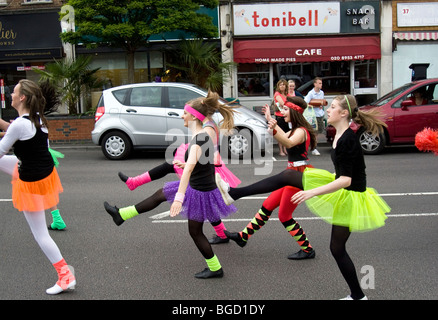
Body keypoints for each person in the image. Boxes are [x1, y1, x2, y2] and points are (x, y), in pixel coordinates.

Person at [215, 94, 390, 299]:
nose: (327, 109)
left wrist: (311, 192)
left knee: (337, 248)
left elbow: (347, 180)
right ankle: (234, 194)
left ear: (343, 113)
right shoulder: (342, 134)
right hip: (339, 184)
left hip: (350, 194)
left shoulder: (347, 140)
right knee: (288, 176)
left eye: (332, 107)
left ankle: (358, 296)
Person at [106, 92, 238, 278]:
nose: (182, 116)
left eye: (185, 112)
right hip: (200, 186)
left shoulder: (199, 139)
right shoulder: (204, 134)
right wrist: (188, 164)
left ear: (193, 116)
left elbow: (189, 172)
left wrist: (179, 197)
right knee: (161, 194)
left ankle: (216, 268)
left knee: (195, 232)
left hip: (199, 191)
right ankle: (122, 214)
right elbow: (201, 161)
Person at [113, 113, 241, 244]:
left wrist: (180, 194)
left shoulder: (208, 128)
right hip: (205, 174)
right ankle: (222, 237)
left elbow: (210, 155)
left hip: (205, 176)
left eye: (186, 112)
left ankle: (129, 197)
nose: (183, 116)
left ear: (198, 114)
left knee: (166, 187)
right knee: (204, 205)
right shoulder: (208, 125)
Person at [0, 79, 75, 294]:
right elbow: (18, 134)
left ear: (22, 97)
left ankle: (65, 275)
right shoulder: (37, 120)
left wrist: (9, 135)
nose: (11, 95)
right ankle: (64, 274)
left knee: (41, 235)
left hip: (31, 181)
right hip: (43, 172)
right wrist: (9, 133)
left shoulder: (20, 124)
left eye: (13, 92)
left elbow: (4, 146)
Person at [225, 96, 316, 259]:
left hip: (298, 175)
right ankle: (243, 236)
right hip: (290, 174)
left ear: (295, 112)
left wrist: (274, 128)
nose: (283, 112)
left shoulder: (301, 131)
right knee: (267, 205)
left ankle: (308, 249)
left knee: (284, 216)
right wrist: (270, 120)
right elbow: (283, 136)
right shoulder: (295, 129)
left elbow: (288, 143)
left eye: (286, 109)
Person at [304, 77, 324, 156]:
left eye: (321, 83)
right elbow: (305, 103)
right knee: (313, 132)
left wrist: (321, 105)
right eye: (319, 83)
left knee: (318, 132)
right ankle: (314, 148)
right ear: (315, 84)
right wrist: (314, 105)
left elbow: (321, 102)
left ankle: (314, 147)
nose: (320, 85)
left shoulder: (322, 93)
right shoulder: (311, 93)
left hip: (320, 114)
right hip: (313, 115)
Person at [273, 79, 289, 156]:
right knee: (281, 134)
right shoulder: (277, 94)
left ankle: (285, 148)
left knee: (286, 133)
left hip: (287, 116)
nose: (282, 86)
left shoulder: (287, 94)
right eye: (280, 85)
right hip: (280, 116)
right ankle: (281, 150)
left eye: (283, 84)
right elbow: (283, 103)